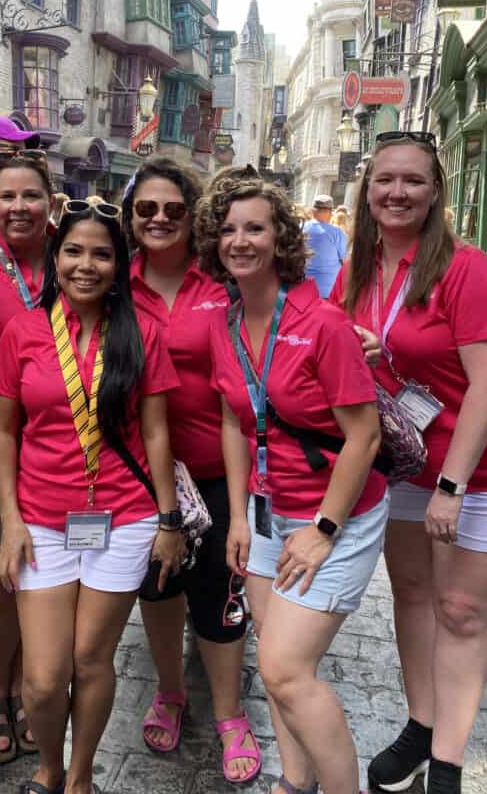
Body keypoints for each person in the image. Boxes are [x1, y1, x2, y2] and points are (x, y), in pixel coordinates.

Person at [330, 131, 487, 794]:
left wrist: (453, 487)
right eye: (384, 180)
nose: (396, 192)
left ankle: (447, 761)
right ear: (367, 194)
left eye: (412, 181)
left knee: (460, 609)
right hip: (407, 464)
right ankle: (421, 725)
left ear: (435, 192)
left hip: (483, 468)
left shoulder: (467, 269)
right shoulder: (359, 269)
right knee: (415, 595)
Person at [0, 199, 186, 794]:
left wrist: (169, 520)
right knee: (45, 678)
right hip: (42, 520)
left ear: (119, 263)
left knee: (91, 659)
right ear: (56, 257)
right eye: (74, 251)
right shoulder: (24, 331)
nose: (86, 265)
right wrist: (10, 521)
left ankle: (77, 779)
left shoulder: (142, 331)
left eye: (102, 253)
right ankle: (47, 765)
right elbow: (1, 429)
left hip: (122, 517)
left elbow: (155, 431)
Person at [195, 176, 386, 794]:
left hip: (337, 516)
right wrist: (241, 519)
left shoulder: (322, 323)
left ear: (281, 237)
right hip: (268, 510)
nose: (239, 240)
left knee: (283, 668)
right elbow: (232, 416)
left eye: (254, 227)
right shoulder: (224, 324)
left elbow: (365, 437)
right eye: (227, 229)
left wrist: (325, 530)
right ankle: (292, 781)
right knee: (278, 666)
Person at [122, 158, 261, 783]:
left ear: (192, 215)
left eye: (173, 209)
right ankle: (171, 691)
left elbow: (240, 398)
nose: (158, 219)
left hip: (212, 466)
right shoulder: (112, 282)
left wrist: (238, 504)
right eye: (146, 209)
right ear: (130, 217)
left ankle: (230, 714)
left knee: (217, 592)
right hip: (140, 476)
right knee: (158, 586)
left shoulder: (220, 285)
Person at [0, 149, 56, 763]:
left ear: (51, 202)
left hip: (59, 438)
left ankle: (31, 680)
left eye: (32, 196)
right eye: (8, 197)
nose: (19, 207)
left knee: (38, 568)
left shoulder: (74, 250)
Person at [302, 194, 348, 299]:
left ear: (313, 211)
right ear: (329, 212)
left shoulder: (301, 228)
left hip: (302, 288)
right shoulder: (337, 233)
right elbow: (345, 261)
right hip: (327, 290)